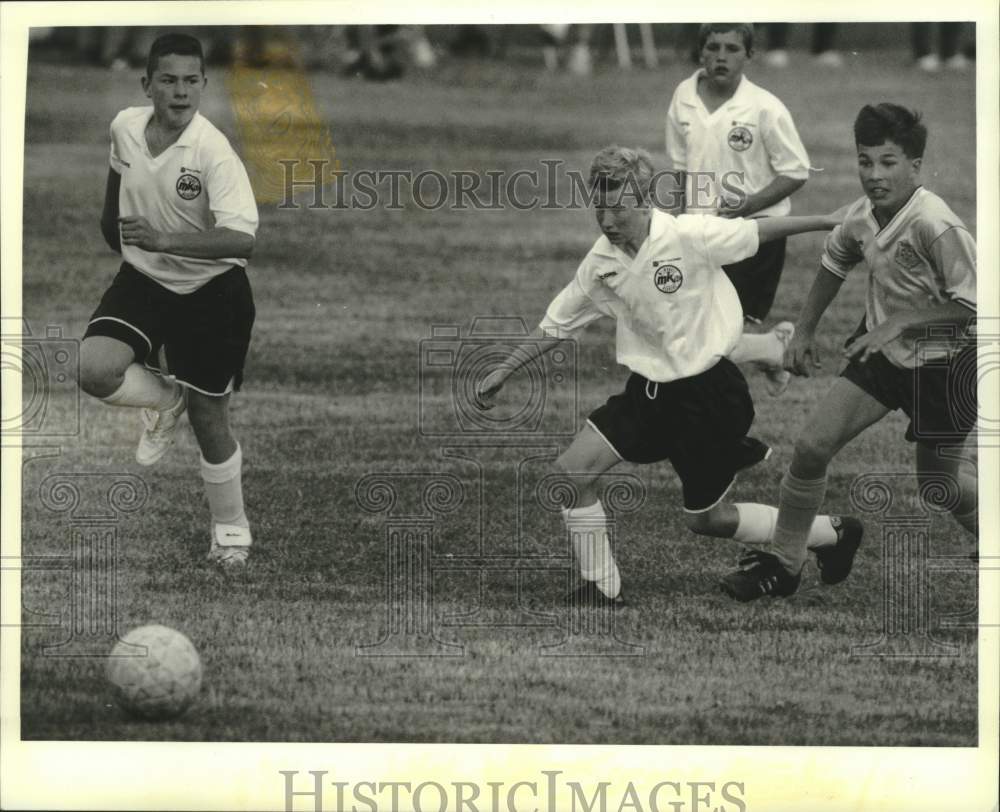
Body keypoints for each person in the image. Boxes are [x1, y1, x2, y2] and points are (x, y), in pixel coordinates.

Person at [475, 146, 859, 606]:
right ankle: (602, 586)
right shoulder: (601, 263)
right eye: (600, 207)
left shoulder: (687, 235)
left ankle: (830, 533)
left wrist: (823, 221)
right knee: (572, 474)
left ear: (643, 201)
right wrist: (504, 370)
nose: (607, 220)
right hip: (647, 395)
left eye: (617, 207)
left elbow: (754, 230)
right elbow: (558, 321)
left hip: (709, 399)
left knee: (708, 520)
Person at [720, 104, 978, 601]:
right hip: (881, 353)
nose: (874, 175)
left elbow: (975, 304)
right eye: (865, 162)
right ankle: (784, 563)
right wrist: (804, 332)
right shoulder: (861, 215)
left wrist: (901, 321)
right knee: (813, 446)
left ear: (915, 166)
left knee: (938, 484)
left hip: (949, 367)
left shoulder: (935, 224)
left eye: (888, 162)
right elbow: (834, 263)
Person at [78, 33, 259, 567]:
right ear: (148, 84)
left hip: (212, 291)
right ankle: (162, 399)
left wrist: (164, 240)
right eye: (168, 80)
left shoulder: (212, 151)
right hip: (144, 280)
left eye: (191, 81)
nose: (180, 92)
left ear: (204, 84)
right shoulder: (125, 125)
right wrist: (114, 229)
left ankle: (231, 530)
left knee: (210, 417)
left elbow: (242, 240)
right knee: (93, 369)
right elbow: (117, 180)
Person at [665, 23, 811, 325]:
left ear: (749, 55)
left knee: (734, 328)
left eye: (732, 49)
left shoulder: (765, 108)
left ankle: (768, 349)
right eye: (713, 47)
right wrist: (678, 222)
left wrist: (751, 205)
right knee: (698, 324)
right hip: (699, 228)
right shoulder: (684, 96)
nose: (721, 57)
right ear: (701, 51)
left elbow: (796, 171)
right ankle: (771, 349)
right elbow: (680, 166)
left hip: (754, 230)